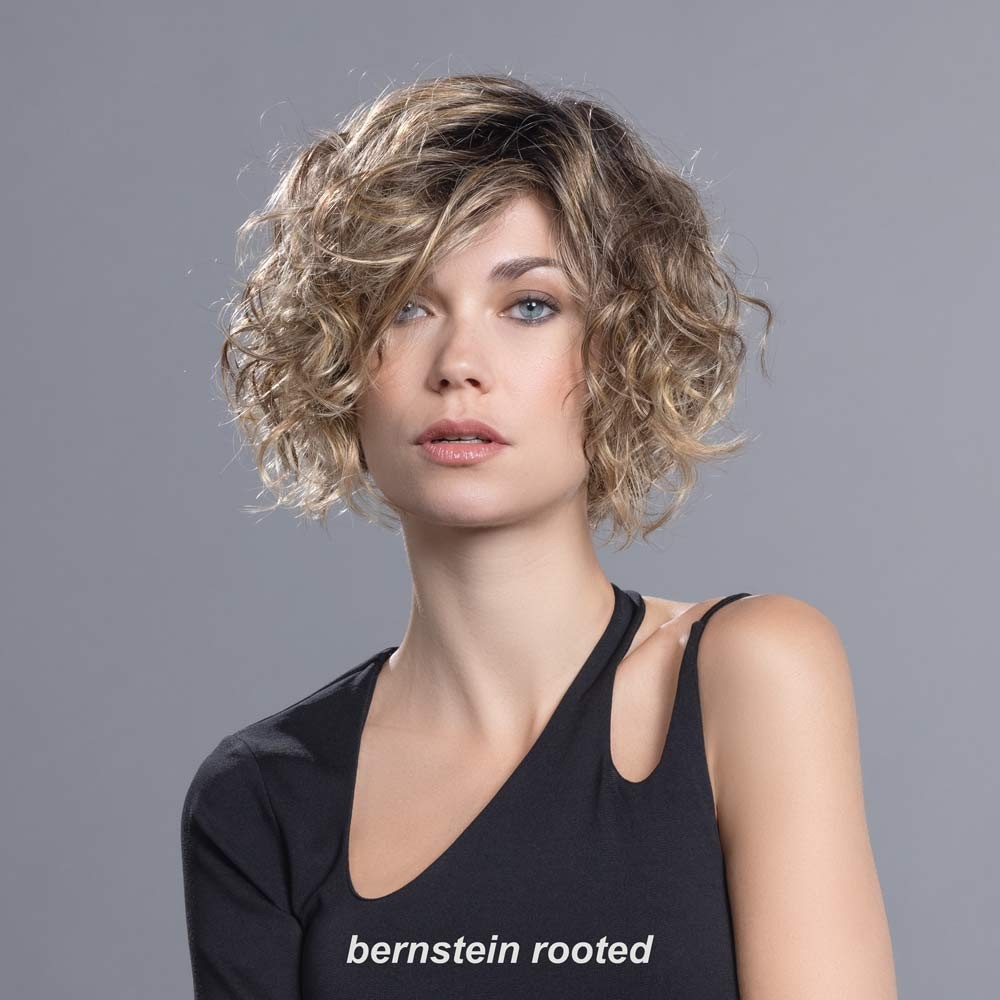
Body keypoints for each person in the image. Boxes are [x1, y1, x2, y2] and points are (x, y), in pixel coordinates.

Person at [180, 72, 898, 998]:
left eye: (529, 306)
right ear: (339, 362)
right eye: (405, 306)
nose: (459, 365)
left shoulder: (748, 672)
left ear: (621, 351)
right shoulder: (263, 796)